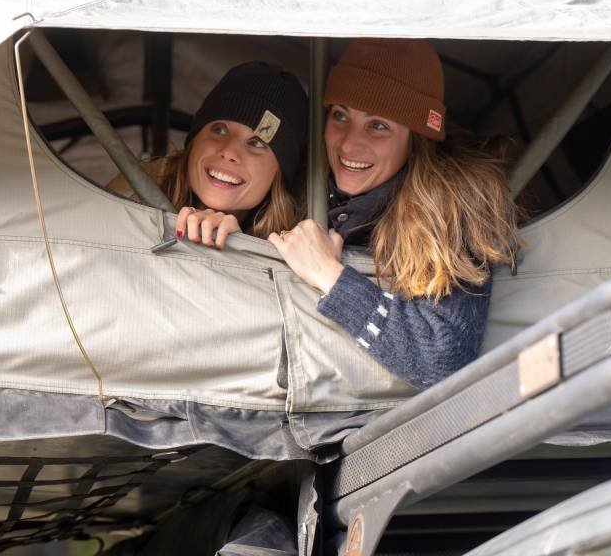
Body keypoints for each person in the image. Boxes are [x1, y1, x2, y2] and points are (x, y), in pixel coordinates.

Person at [268, 39, 520, 389]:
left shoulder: (452, 208)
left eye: (378, 126)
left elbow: (442, 359)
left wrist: (331, 275)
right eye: (340, 115)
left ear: (416, 140)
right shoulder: (298, 181)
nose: (349, 143)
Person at [109, 61, 307, 247]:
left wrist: (239, 251)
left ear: (281, 171)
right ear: (194, 140)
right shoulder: (128, 198)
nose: (229, 152)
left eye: (256, 143)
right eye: (219, 130)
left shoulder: (295, 254)